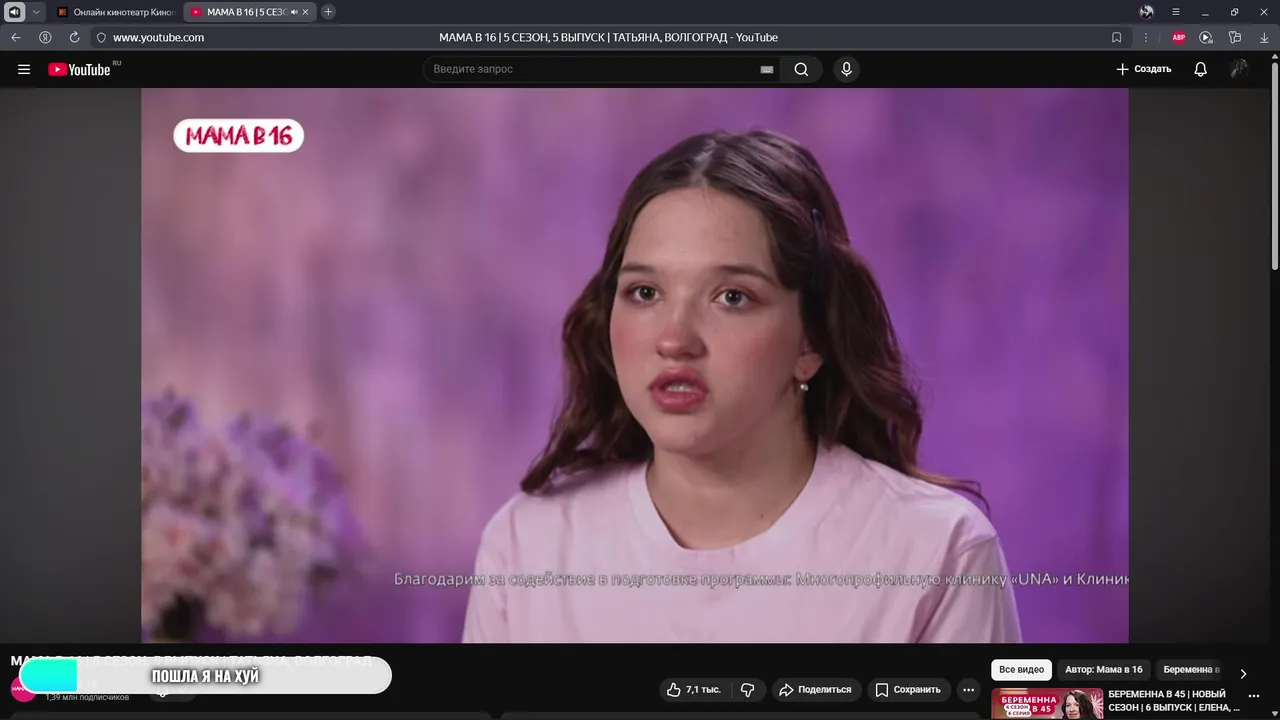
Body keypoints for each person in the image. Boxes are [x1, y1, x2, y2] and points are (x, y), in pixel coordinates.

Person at [462, 129, 1022, 643]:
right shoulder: (526, 546)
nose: (674, 340)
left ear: (811, 341)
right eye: (645, 293)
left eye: (732, 297)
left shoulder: (938, 555)